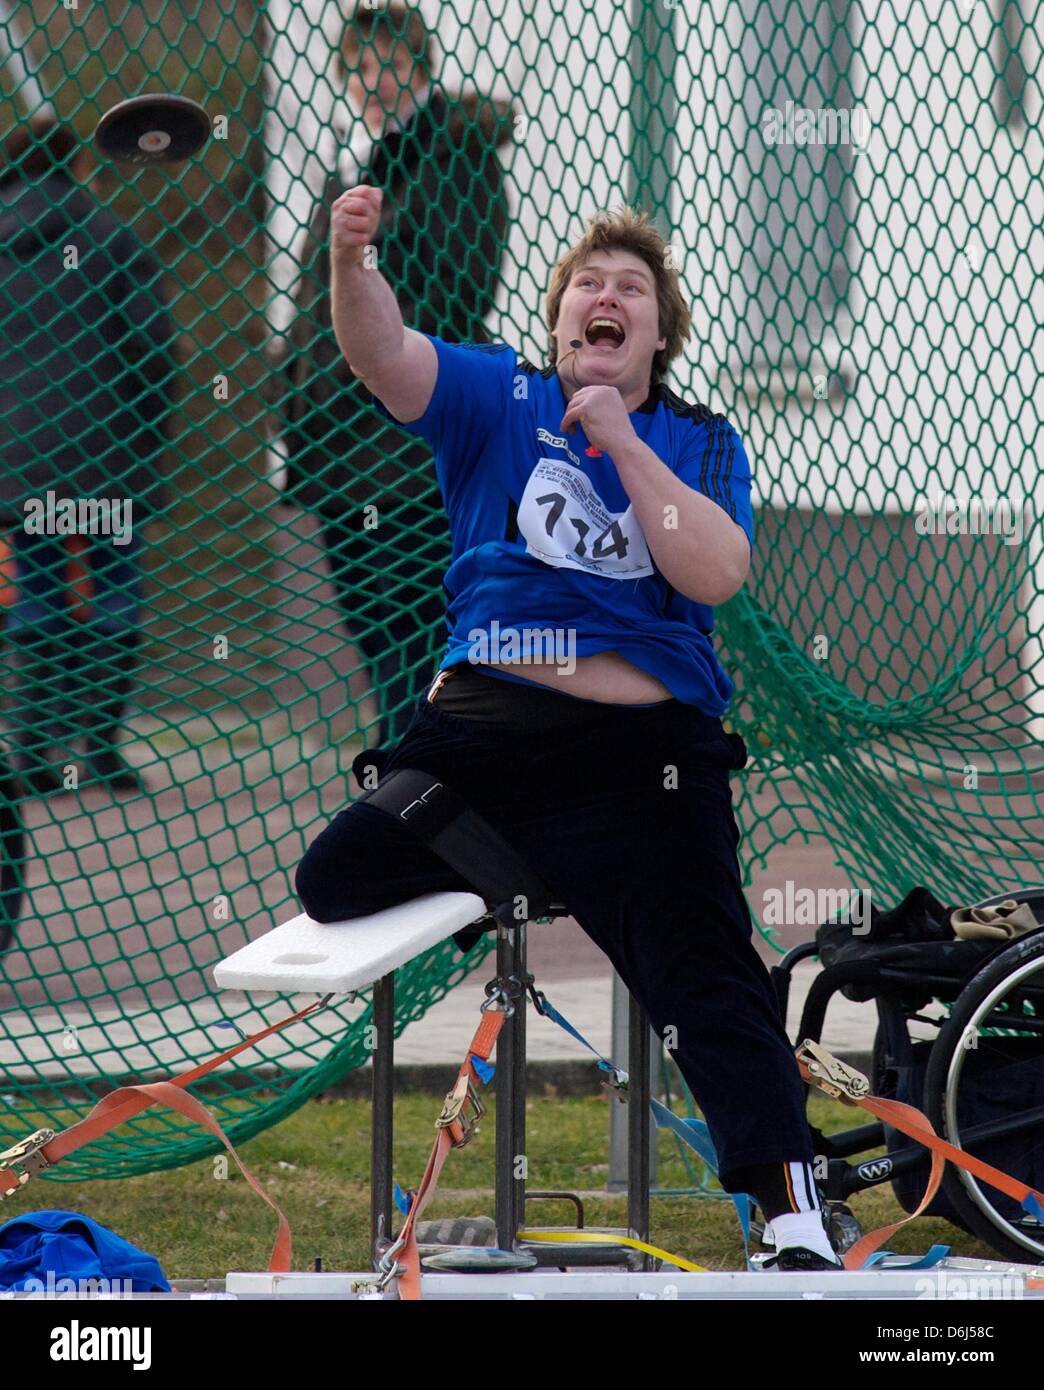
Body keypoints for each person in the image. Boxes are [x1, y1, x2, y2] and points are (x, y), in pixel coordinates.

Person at [294, 184, 842, 1271]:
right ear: (557, 323)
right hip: (486, 738)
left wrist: (623, 443)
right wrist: (348, 267)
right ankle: (526, 859)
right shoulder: (500, 396)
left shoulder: (695, 438)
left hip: (643, 761)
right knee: (335, 875)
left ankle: (793, 1213)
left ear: (657, 333)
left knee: (707, 971)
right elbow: (384, 353)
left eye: (629, 289)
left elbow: (717, 569)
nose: (606, 295)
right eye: (587, 284)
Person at [272, 2, 513, 745]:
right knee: (365, 609)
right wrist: (294, 394)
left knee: (411, 599)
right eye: (359, 68)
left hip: (405, 438)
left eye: (389, 64)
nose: (372, 82)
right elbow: (313, 295)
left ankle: (419, 752)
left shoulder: (456, 157)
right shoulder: (356, 166)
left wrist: (364, 355)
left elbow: (458, 290)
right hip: (336, 443)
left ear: (420, 66)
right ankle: (403, 743)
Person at [0, 115, 176, 794]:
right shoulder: (108, 237)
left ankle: (32, 754)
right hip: (105, 459)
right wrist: (145, 439)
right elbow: (153, 349)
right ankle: (100, 746)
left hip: (19, 465)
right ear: (74, 164)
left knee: (37, 598)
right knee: (114, 594)